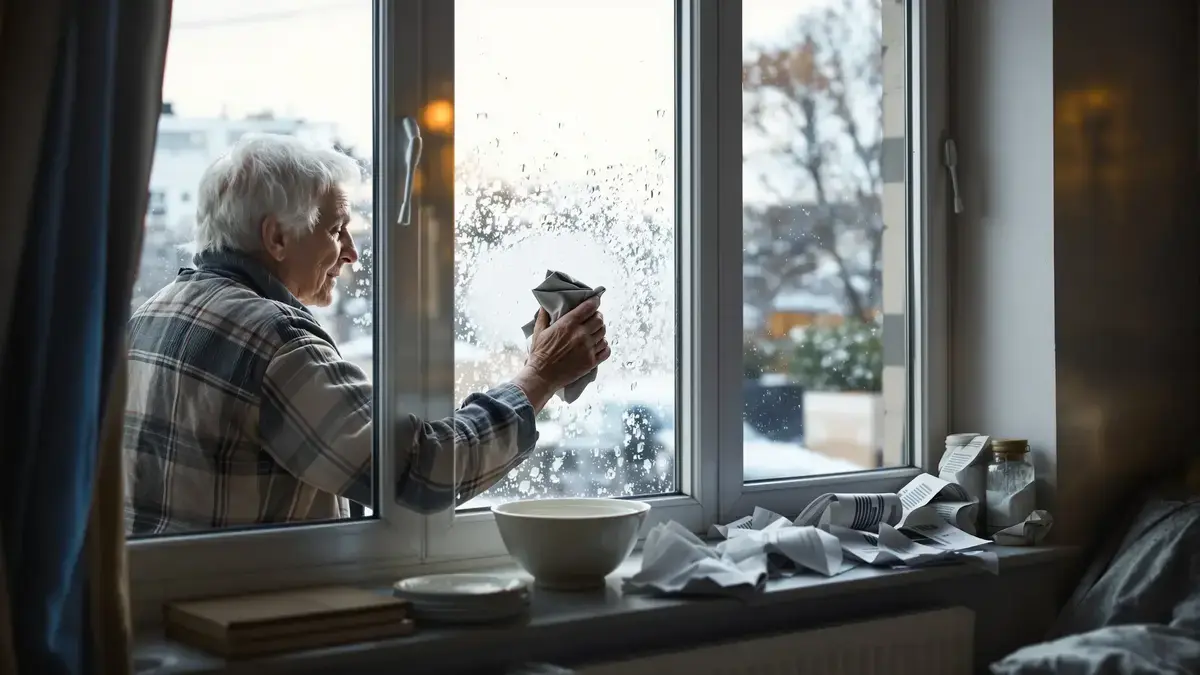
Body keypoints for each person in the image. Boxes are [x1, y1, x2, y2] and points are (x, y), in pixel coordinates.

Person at [123, 133, 610, 535]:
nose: (351, 253)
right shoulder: (271, 340)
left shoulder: (146, 318)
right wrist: (539, 376)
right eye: (337, 230)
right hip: (256, 626)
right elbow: (422, 469)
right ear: (276, 238)